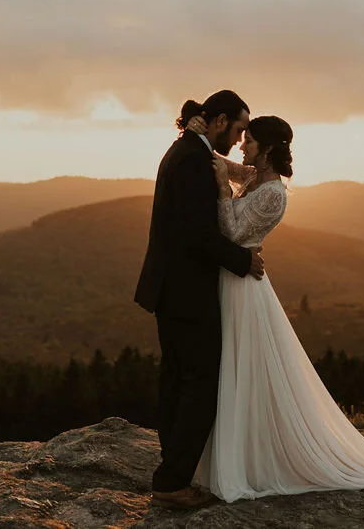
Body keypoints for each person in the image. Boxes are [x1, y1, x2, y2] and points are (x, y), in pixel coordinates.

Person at [179, 111, 364, 503]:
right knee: (231, 366)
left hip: (243, 287)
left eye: (248, 140)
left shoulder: (274, 194)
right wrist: (197, 133)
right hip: (230, 280)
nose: (242, 145)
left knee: (245, 365)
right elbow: (223, 164)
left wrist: (221, 189)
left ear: (266, 149)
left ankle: (254, 458)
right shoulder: (254, 177)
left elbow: (234, 232)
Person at [133, 90, 266, 510]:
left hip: (170, 287)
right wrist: (244, 260)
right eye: (240, 128)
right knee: (200, 383)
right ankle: (173, 481)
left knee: (175, 380)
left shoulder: (187, 150)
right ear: (221, 120)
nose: (241, 136)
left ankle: (170, 471)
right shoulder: (192, 158)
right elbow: (197, 233)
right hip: (186, 289)